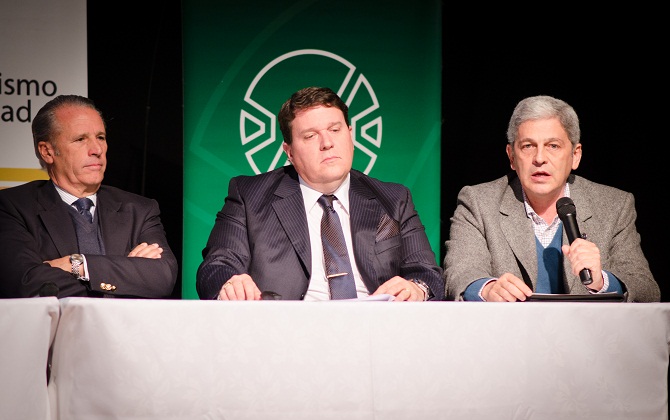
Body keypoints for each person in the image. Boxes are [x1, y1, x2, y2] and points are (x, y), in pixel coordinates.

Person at [197, 86, 444, 301]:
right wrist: (230, 283)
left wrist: (416, 288)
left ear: (350, 134)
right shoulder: (249, 196)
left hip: (375, 332)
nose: (327, 143)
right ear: (289, 152)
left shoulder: (393, 199)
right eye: (310, 135)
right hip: (287, 333)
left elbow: (427, 274)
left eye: (335, 130)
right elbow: (217, 266)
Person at [444, 95, 660, 302]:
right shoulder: (478, 202)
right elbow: (460, 275)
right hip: (509, 335)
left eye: (553, 146)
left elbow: (646, 288)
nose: (539, 158)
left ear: (575, 155)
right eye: (528, 146)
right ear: (511, 157)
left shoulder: (614, 206)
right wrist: (488, 289)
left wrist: (601, 281)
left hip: (590, 336)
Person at [0, 95, 178, 298]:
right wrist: (125, 277)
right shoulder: (12, 207)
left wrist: (76, 265)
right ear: (47, 152)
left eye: (100, 137)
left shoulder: (139, 209)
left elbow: (162, 277)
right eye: (80, 139)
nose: (97, 150)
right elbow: (27, 282)